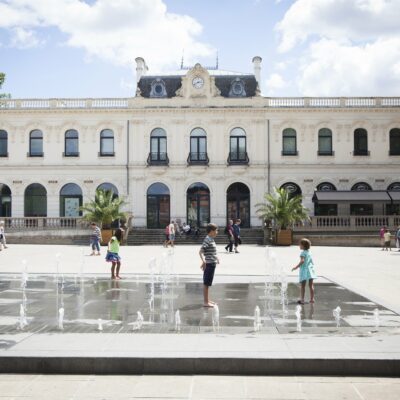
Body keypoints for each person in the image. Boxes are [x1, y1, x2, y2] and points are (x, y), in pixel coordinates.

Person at [199, 223, 220, 307]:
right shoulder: (207, 239)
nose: (217, 232)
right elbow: (201, 251)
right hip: (209, 264)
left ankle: (207, 300)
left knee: (208, 283)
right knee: (206, 283)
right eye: (216, 230)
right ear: (211, 231)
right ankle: (205, 302)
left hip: (212, 263)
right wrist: (204, 262)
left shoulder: (211, 239)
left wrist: (216, 258)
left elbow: (211, 251)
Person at [291, 238, 317, 304]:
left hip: (304, 271)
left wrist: (296, 267)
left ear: (303, 246)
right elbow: (311, 261)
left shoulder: (302, 253)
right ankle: (312, 299)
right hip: (310, 270)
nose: (299, 246)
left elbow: (302, 261)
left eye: (300, 244)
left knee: (303, 286)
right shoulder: (309, 253)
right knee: (311, 285)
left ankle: (302, 299)